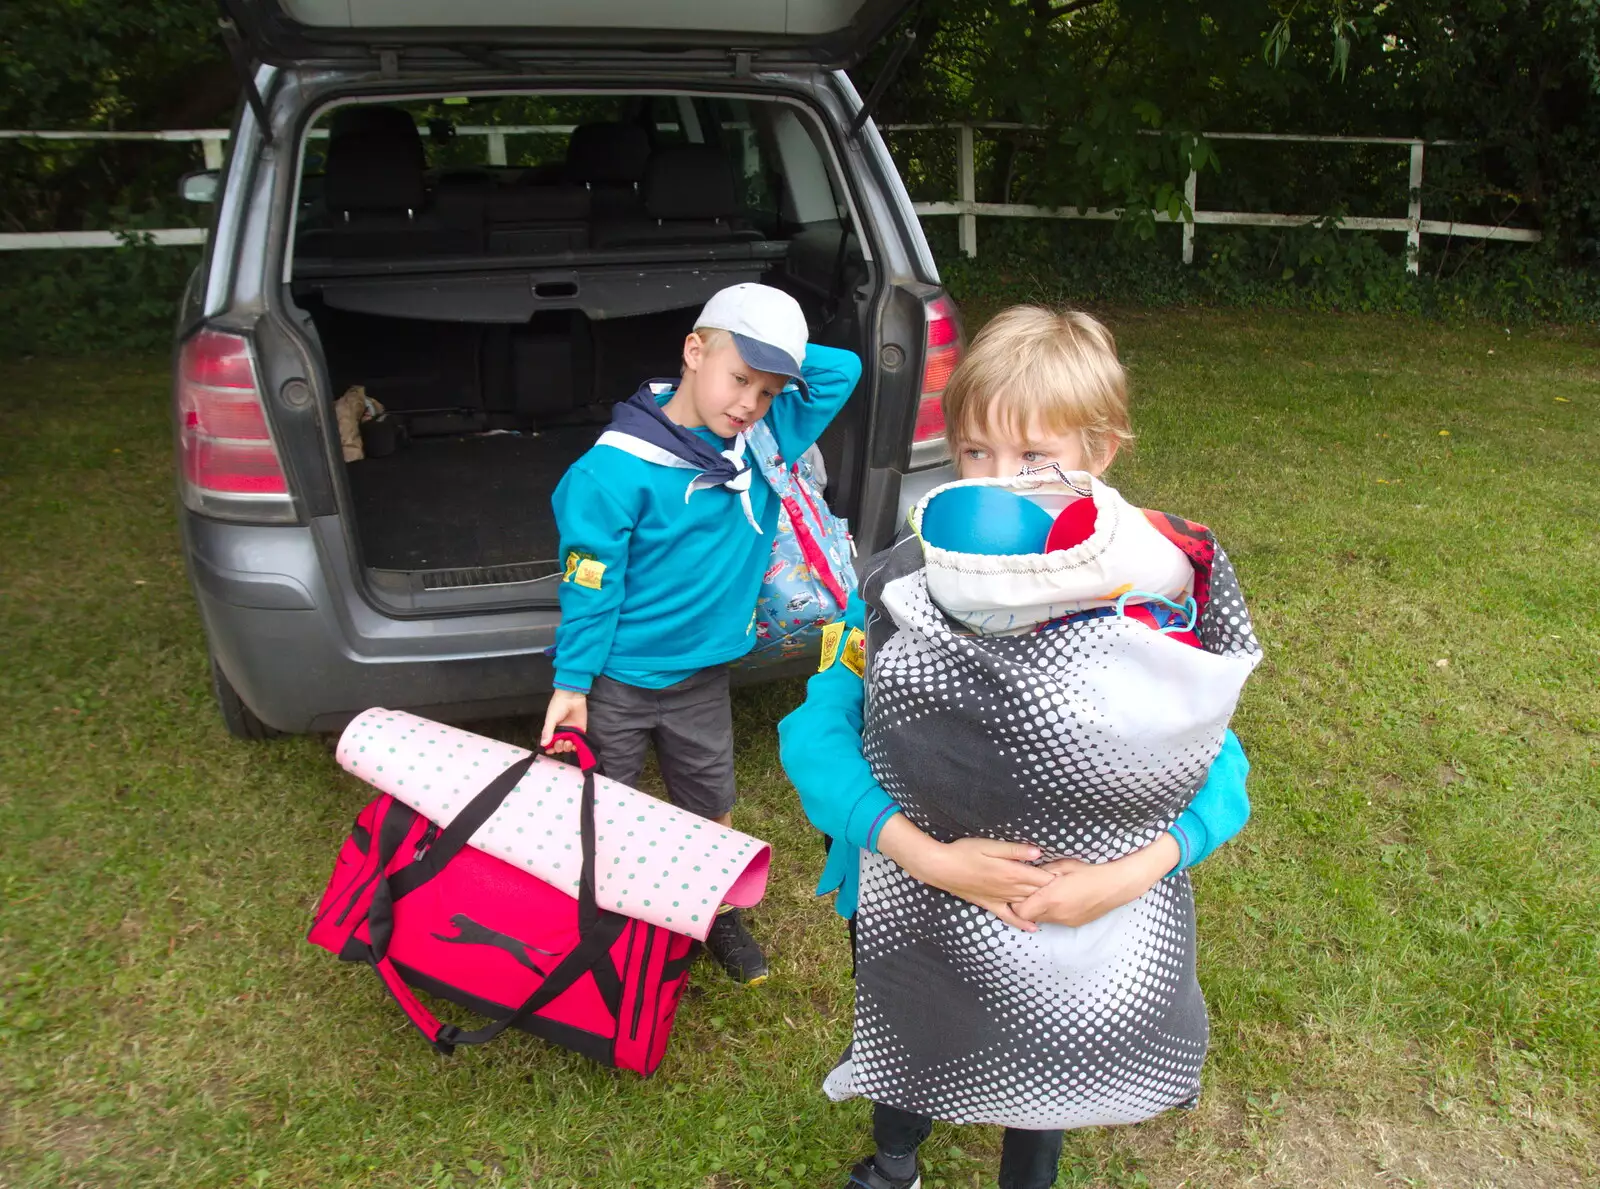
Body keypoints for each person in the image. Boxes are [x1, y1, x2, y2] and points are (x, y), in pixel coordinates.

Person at [779, 306, 1259, 1189]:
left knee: (1047, 1053)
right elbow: (816, 729)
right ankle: (897, 1156)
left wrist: (1128, 874)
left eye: (1036, 458)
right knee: (911, 1019)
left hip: (1075, 899)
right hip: (908, 884)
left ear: (1101, 450)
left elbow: (1219, 764)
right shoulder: (899, 584)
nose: (999, 482)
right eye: (975, 453)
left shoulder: (1144, 604)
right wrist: (926, 857)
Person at [541, 282, 862, 986]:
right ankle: (607, 922)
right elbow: (589, 584)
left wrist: (778, 353)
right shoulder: (612, 471)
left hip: (702, 678)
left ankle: (714, 910)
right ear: (692, 351)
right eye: (739, 378)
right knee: (603, 806)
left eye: (769, 390)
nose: (748, 402)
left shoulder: (764, 439)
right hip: (617, 678)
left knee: (709, 800)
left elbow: (844, 371)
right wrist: (572, 684)